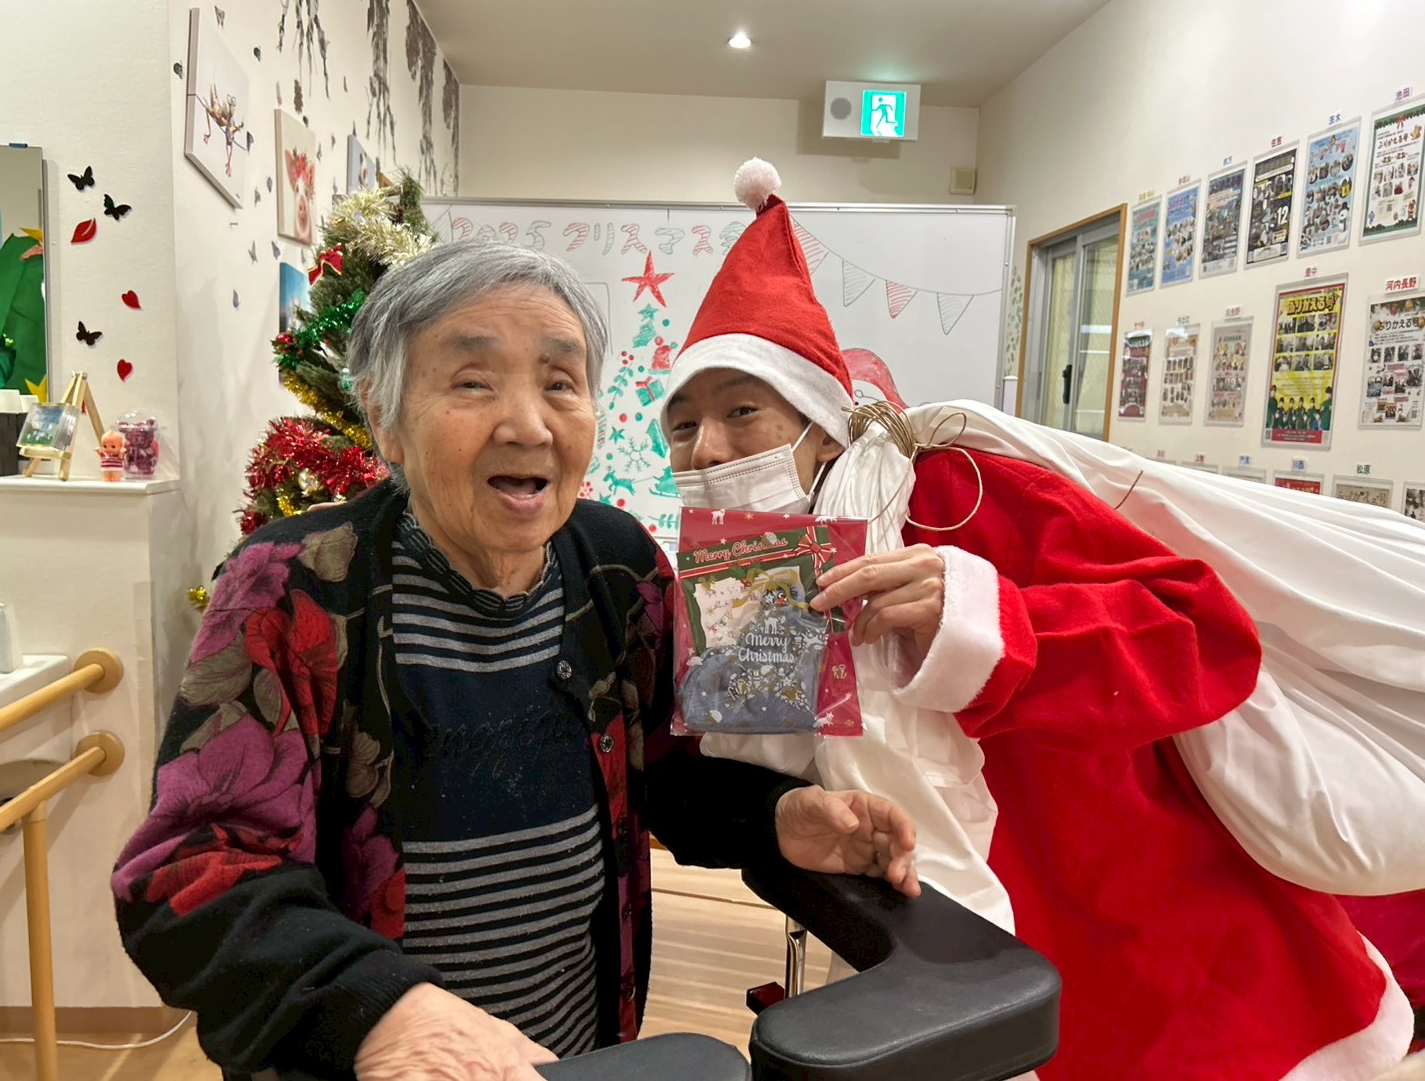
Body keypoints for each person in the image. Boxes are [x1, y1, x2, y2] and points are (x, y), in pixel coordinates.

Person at [659, 159, 1415, 1080]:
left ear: (822, 424)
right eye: (681, 427)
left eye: (742, 412)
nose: (709, 451)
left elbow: (1203, 634)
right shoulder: (737, 572)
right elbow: (743, 777)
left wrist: (988, 621)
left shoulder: (951, 493)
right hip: (951, 954)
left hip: (1153, 937)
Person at [111, 239, 919, 1081]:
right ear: (385, 418)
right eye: (472, 382)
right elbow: (192, 870)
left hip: (576, 1054)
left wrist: (776, 818)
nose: (529, 425)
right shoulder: (292, 588)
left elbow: (663, 771)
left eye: (560, 383)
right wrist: (381, 1010)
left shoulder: (618, 566)